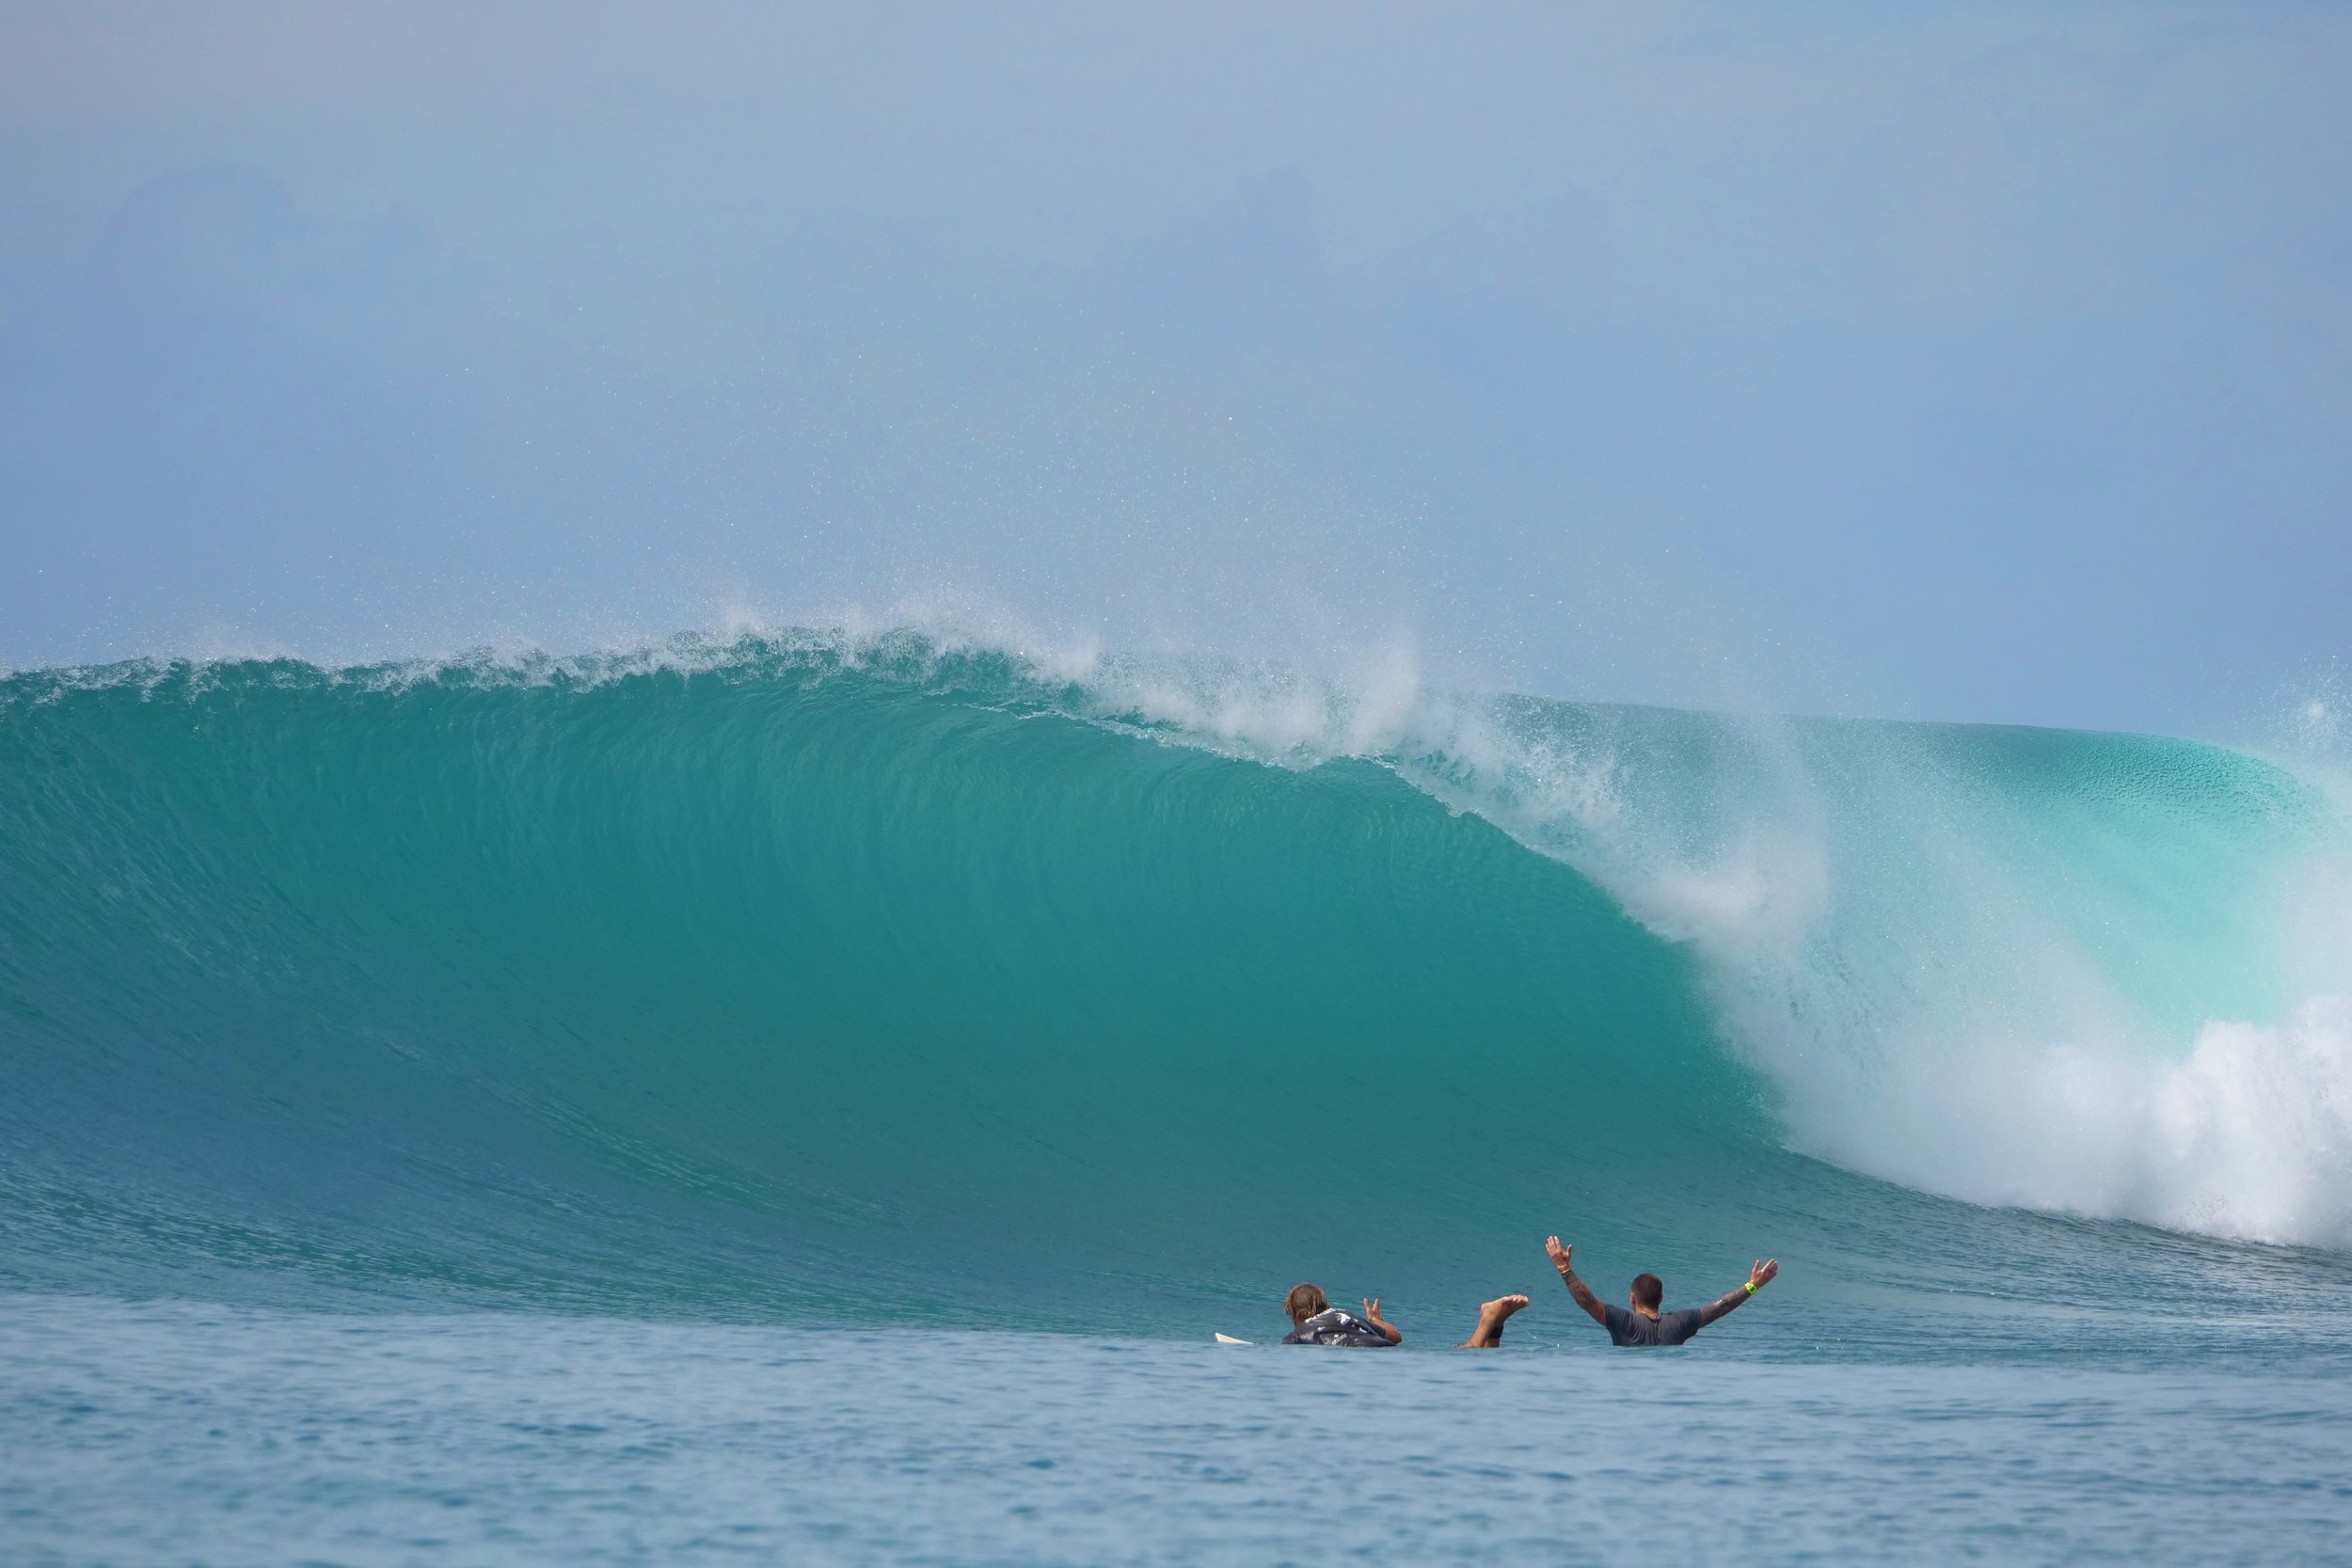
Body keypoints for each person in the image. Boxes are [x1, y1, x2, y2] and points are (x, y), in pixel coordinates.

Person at [1544, 1235, 1778, 1346]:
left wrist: (1564, 1268)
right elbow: (1722, 1306)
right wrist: (1753, 1285)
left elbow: (1588, 1302)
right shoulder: (1680, 1322)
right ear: (1661, 1298)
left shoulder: (1625, 1323)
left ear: (1632, 1298)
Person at [1279, 1283, 1402, 1345]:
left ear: (1299, 1313)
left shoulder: (1296, 1336)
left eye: (1290, 1313)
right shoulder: (1347, 1315)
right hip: (1379, 1346)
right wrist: (1375, 1319)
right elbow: (1396, 1337)